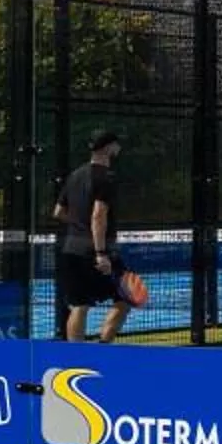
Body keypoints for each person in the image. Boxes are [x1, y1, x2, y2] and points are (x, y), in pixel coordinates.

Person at [51, 129, 134, 345]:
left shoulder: (74, 175)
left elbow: (58, 212)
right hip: (96, 251)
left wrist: (79, 224)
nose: (119, 148)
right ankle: (104, 346)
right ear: (108, 148)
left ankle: (75, 358)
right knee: (126, 297)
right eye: (116, 144)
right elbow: (99, 215)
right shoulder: (106, 176)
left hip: (71, 249)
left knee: (79, 305)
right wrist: (101, 253)